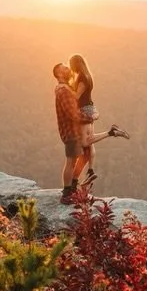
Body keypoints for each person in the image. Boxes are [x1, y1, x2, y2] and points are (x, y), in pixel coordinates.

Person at [53, 61, 86, 196]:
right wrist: (88, 117)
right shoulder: (64, 91)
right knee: (71, 161)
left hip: (70, 131)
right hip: (71, 131)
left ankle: (71, 187)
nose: (68, 69)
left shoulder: (62, 88)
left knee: (76, 159)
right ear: (60, 73)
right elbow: (72, 114)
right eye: (65, 68)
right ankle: (67, 192)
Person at [69, 53, 98, 188]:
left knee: (86, 141)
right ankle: (90, 170)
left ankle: (110, 132)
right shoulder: (89, 76)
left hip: (84, 110)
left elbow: (77, 96)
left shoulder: (81, 78)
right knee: (89, 143)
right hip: (90, 108)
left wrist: (66, 89)